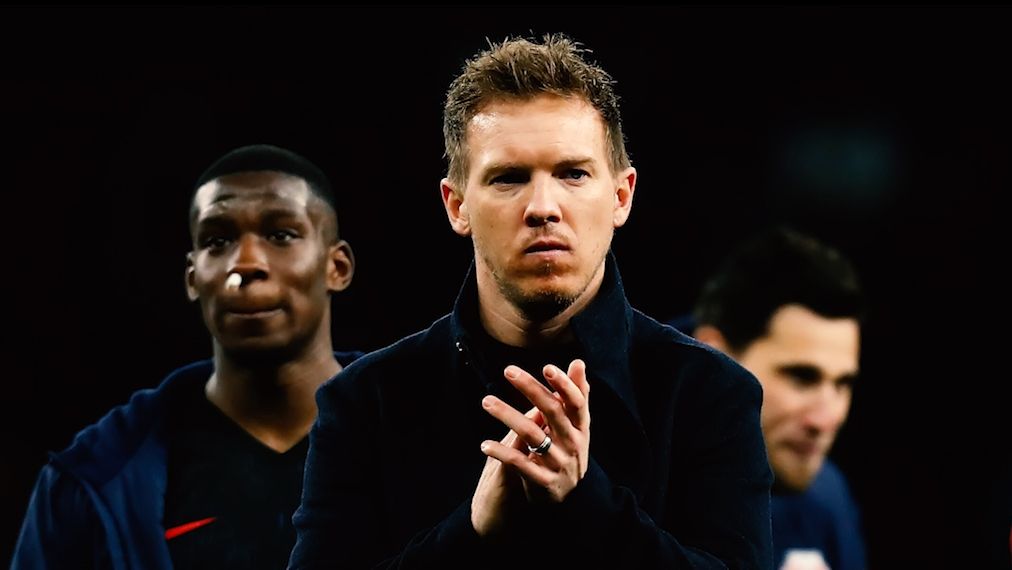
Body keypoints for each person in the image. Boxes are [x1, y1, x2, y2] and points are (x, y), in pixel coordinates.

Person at [290, 34, 772, 569]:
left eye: (573, 174)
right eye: (509, 178)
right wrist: (470, 532)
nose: (543, 207)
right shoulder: (363, 404)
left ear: (621, 196)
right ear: (457, 205)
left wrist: (589, 505)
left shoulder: (710, 394)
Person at [11, 144, 362, 569]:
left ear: (337, 267)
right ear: (193, 278)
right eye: (217, 241)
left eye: (281, 235)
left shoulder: (416, 432)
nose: (245, 263)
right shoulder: (92, 478)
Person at [686, 226, 868, 570]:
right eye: (802, 377)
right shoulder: (613, 486)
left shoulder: (826, 499)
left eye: (842, 384)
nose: (827, 419)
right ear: (714, 359)